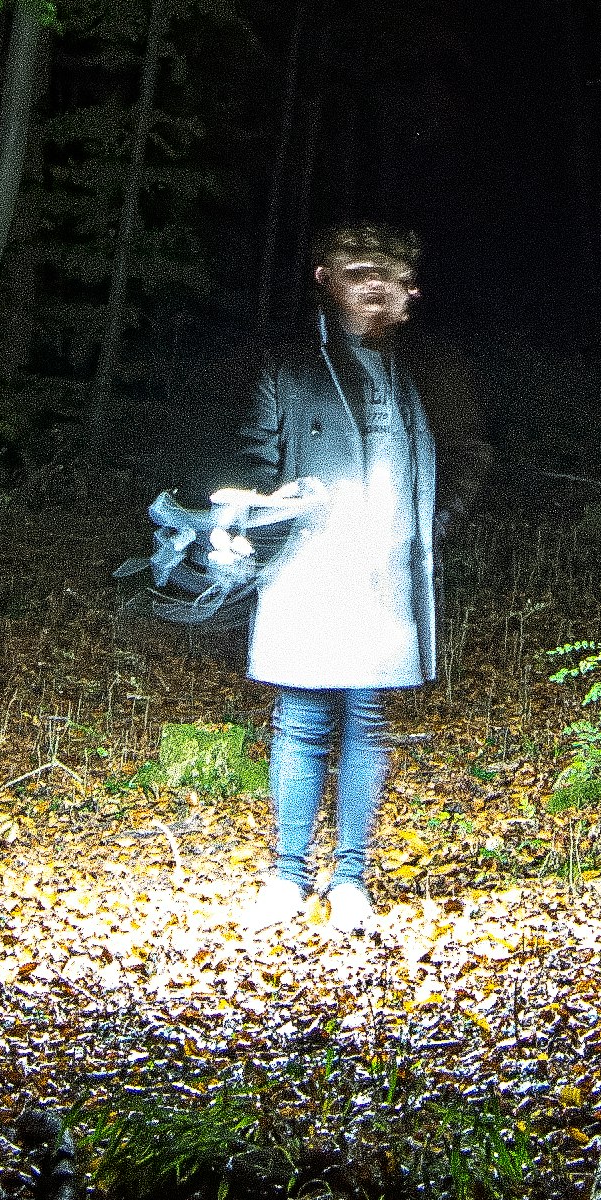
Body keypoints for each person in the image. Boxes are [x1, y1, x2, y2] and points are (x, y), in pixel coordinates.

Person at [211, 221, 488, 930]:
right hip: (306, 568)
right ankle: (285, 876)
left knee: (366, 719)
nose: (372, 283)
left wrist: (434, 523)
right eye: (356, 268)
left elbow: (469, 452)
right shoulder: (290, 363)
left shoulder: (431, 366)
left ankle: (352, 879)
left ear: (409, 289)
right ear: (324, 278)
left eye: (387, 273)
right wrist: (251, 513)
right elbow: (254, 456)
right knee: (300, 719)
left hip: (388, 574)